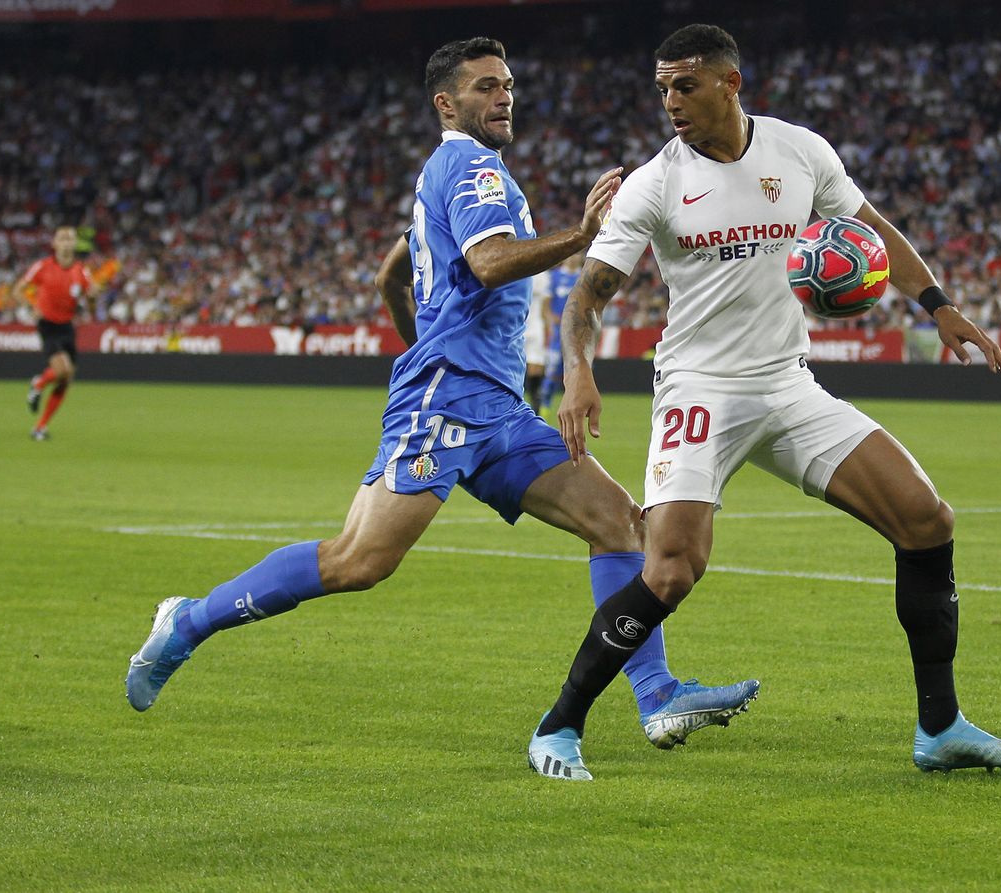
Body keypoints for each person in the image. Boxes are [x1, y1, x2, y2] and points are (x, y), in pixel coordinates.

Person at [126, 38, 758, 756]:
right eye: (487, 87)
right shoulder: (469, 165)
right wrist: (577, 238)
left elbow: (391, 275)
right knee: (359, 561)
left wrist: (423, 342)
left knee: (620, 523)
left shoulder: (454, 176)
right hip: (451, 402)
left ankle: (658, 697)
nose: (504, 98)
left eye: (509, 86)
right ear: (447, 104)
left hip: (497, 408)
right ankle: (188, 621)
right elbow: (487, 264)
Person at [525, 24, 1001, 781]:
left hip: (786, 382)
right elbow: (588, 298)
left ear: (731, 83)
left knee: (926, 519)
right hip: (699, 388)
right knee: (670, 568)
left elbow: (870, 231)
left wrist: (937, 304)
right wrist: (578, 370)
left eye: (686, 85)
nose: (670, 101)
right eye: (662, 86)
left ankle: (940, 727)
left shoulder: (800, 151)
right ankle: (558, 726)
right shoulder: (654, 183)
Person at [21, 226, 103, 441]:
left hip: (67, 327)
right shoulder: (42, 267)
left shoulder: (81, 271)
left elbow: (92, 307)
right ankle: (38, 384)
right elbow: (18, 289)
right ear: (54, 244)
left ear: (75, 244)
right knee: (61, 370)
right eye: (62, 238)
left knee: (66, 379)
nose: (67, 242)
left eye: (70, 239)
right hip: (48, 325)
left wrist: (93, 299)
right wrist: (32, 306)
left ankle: (40, 427)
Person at [537, 254, 582, 414]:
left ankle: (576, 405)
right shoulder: (554, 277)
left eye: (577, 254)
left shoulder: (583, 276)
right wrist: (550, 322)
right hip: (558, 332)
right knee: (553, 369)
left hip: (577, 333)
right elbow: (546, 307)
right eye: (570, 255)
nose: (573, 258)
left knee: (576, 369)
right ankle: (544, 402)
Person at [523, 265, 550, 412]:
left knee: (535, 368)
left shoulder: (543, 274)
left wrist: (547, 327)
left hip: (536, 325)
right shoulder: (515, 269)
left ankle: (535, 409)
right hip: (518, 325)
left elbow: (546, 305)